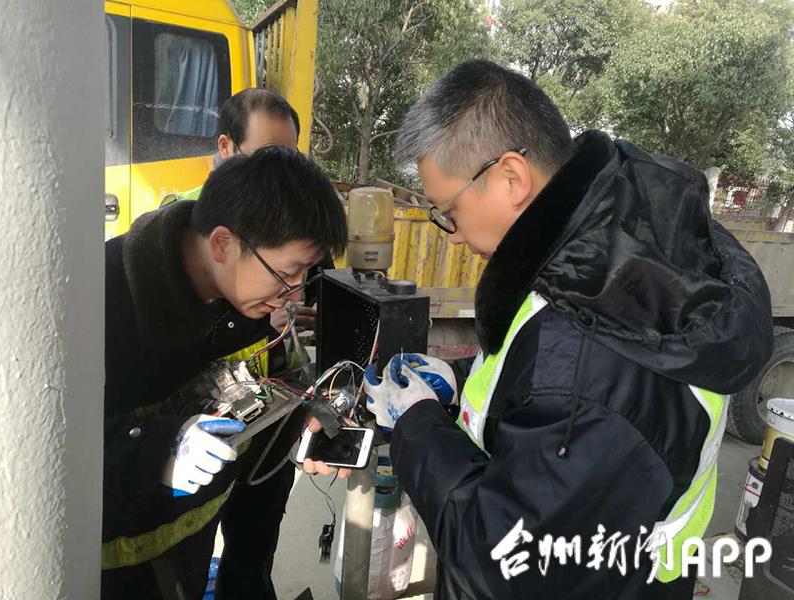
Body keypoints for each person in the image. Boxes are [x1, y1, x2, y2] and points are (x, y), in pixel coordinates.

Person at [362, 59, 774, 599]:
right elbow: (535, 381)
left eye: (449, 212)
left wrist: (415, 425)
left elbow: (502, 561)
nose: (454, 235)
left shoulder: (589, 356)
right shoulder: (603, 252)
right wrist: (457, 381)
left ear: (511, 178)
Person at [102, 147, 348, 599]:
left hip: (191, 543)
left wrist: (305, 418)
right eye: (289, 273)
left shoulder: (248, 298)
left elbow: (263, 389)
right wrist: (161, 451)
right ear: (222, 244)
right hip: (112, 570)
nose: (294, 295)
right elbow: (48, 454)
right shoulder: (100, 302)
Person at [161, 88, 327, 332]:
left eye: (289, 158)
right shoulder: (185, 228)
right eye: (265, 158)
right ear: (226, 147)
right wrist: (259, 328)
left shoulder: (298, 219)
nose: (281, 175)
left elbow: (319, 284)